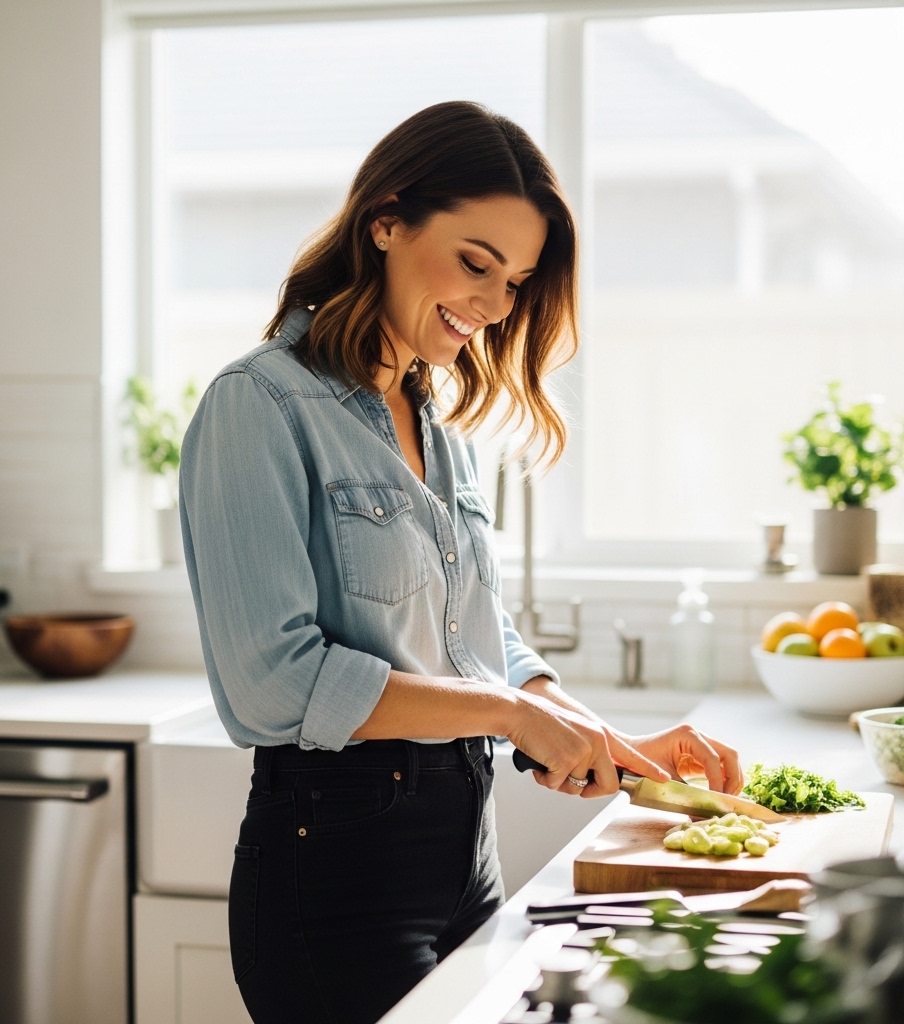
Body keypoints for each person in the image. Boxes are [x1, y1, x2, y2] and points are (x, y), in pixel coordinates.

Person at [180, 101, 743, 1024]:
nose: (493, 304)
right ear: (387, 221)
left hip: (465, 862)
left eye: (515, 280)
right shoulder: (260, 405)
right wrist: (509, 713)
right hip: (332, 882)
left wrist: (622, 752)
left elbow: (477, 640)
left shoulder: (436, 424)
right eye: (477, 263)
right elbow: (271, 684)